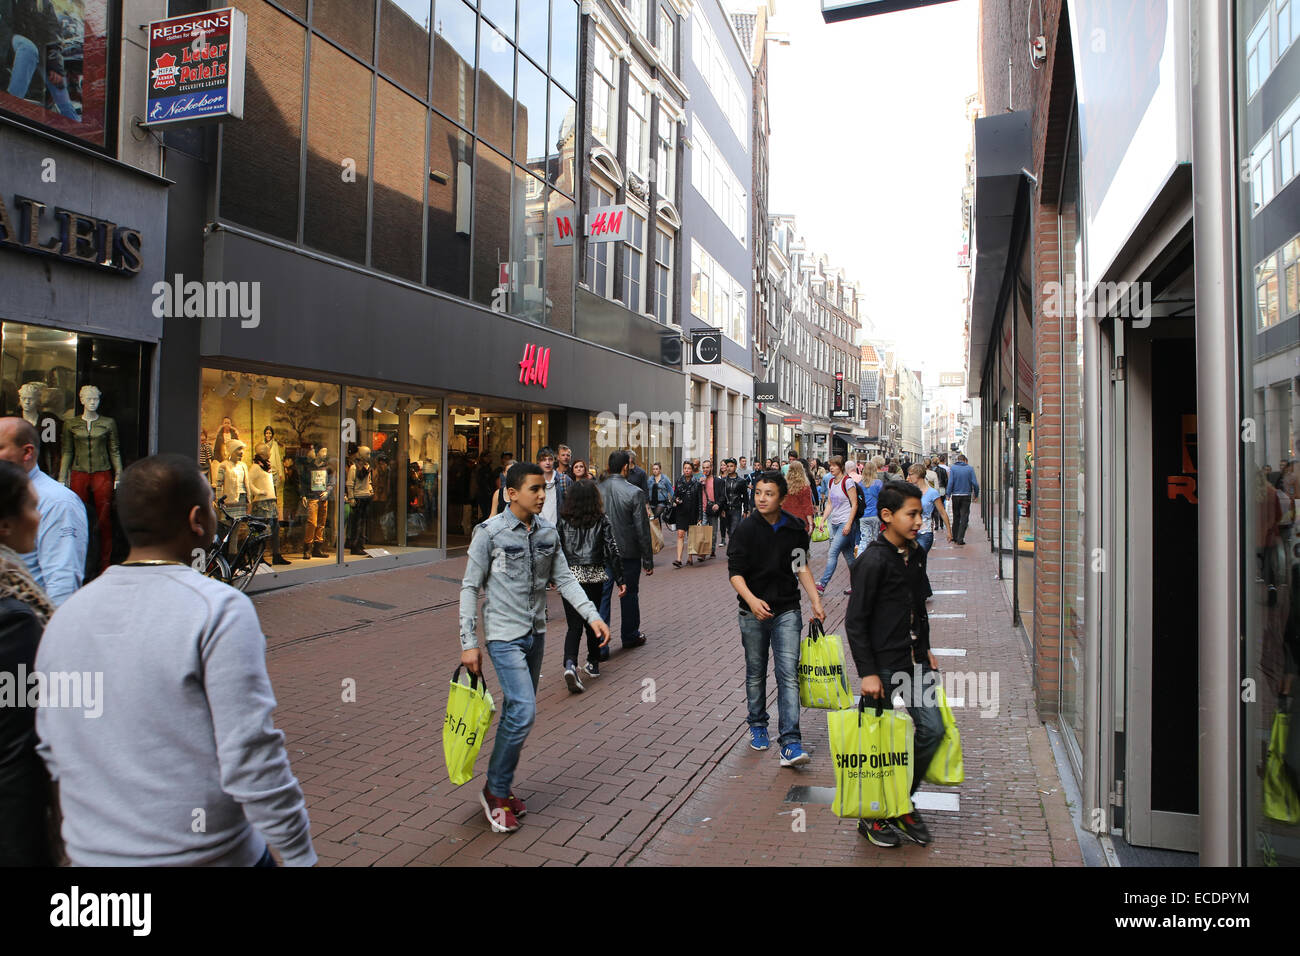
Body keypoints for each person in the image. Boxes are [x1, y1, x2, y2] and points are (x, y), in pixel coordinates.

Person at [35, 454, 317, 865]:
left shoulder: (65, 618)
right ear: (196, 519)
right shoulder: (218, 609)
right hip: (208, 856)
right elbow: (251, 754)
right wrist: (299, 854)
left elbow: (52, 749)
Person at [458, 462, 611, 833]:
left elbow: (564, 578)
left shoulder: (547, 532)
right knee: (524, 711)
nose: (542, 495)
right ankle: (495, 792)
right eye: (534, 489)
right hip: (503, 636)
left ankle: (500, 785)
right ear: (511, 494)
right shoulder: (489, 533)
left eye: (544, 489)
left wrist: (592, 615)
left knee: (517, 710)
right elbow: (469, 587)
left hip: (535, 633)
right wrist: (468, 643)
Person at [844, 480, 943, 850]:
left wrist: (927, 647)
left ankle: (900, 801)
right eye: (912, 514)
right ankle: (870, 817)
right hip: (882, 668)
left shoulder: (915, 553)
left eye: (920, 513)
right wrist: (867, 672)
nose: (919, 520)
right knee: (878, 747)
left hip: (913, 661)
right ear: (887, 516)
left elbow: (918, 605)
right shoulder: (871, 560)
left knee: (932, 730)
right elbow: (855, 622)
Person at [728, 469, 825, 767]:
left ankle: (791, 742)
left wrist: (815, 600)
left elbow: (801, 566)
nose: (762, 498)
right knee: (756, 672)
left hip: (786, 609)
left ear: (782, 498)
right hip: (752, 611)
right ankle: (757, 724)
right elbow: (735, 574)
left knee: (788, 674)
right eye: (758, 493)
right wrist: (752, 601)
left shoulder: (794, 528)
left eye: (769, 494)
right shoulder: (746, 529)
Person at [0, 460, 59, 865]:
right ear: (5, 524)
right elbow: (15, 740)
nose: (39, 518)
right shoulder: (15, 614)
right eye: (31, 507)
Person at [0, 417, 87, 606]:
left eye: (0, 447)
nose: (35, 515)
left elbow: (62, 578)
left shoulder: (57, 501)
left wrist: (51, 629)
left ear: (27, 452)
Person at [557, 478, 624, 691]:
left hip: (570, 577)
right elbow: (612, 549)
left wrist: (553, 577)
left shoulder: (563, 520)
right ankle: (593, 663)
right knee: (592, 621)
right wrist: (621, 579)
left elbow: (556, 550)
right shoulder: (601, 519)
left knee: (573, 625)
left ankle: (570, 663)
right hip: (594, 574)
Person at [597, 451, 655, 652]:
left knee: (602, 597)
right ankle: (629, 635)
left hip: (602, 553)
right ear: (625, 467)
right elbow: (642, 529)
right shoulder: (634, 492)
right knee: (630, 595)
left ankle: (600, 644)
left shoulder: (597, 490)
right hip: (628, 553)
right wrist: (647, 559)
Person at [816, 455, 860, 594]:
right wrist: (823, 520)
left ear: (841, 467)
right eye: (830, 465)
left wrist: (849, 523)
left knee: (833, 552)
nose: (831, 468)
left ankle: (822, 584)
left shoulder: (848, 482)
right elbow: (830, 503)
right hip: (835, 523)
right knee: (849, 557)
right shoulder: (831, 482)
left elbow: (855, 504)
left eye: (834, 465)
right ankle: (859, 584)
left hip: (845, 523)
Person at [250, 443, 291, 565]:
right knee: (262, 530)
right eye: (268, 451)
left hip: (271, 502)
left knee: (275, 529)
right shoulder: (255, 467)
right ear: (262, 453)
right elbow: (248, 482)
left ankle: (276, 555)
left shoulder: (267, 466)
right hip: (261, 503)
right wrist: (258, 492)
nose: (270, 453)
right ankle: (259, 557)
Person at [909, 464, 952, 562]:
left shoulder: (932, 493)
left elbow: (942, 512)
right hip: (910, 532)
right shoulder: (910, 491)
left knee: (918, 558)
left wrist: (949, 531)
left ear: (918, 475)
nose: (909, 477)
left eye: (911, 474)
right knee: (912, 563)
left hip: (925, 532)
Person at [671, 460, 702, 568]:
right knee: (680, 534)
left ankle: (690, 557)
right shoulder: (679, 481)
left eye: (688, 468)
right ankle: (678, 559)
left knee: (690, 536)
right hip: (681, 512)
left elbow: (699, 501)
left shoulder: (697, 483)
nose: (686, 470)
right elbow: (674, 496)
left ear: (692, 470)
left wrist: (700, 517)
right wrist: (676, 500)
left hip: (692, 512)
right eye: (685, 468)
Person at [946, 453, 980, 545]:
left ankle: (954, 536)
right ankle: (960, 538)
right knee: (964, 516)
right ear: (965, 460)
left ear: (957, 460)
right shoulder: (970, 468)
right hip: (966, 495)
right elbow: (975, 483)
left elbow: (951, 482)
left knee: (956, 516)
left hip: (956, 495)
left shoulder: (953, 468)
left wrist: (948, 494)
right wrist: (976, 494)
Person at [537, 447, 572, 527]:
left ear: (554, 460)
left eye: (550, 459)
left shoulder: (564, 480)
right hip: (539, 528)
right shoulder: (534, 481)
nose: (547, 463)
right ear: (538, 462)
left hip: (559, 529)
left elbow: (572, 506)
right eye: (544, 460)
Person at [856, 460, 883, 557]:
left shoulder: (860, 484)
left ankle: (860, 559)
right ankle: (874, 559)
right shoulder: (878, 483)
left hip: (863, 515)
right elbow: (882, 498)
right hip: (875, 514)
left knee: (864, 539)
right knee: (875, 538)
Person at [699, 459, 725, 558]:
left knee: (713, 533)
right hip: (704, 510)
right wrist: (699, 484)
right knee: (703, 531)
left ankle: (712, 550)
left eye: (707, 467)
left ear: (711, 468)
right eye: (704, 467)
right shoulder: (700, 481)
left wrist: (718, 504)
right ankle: (703, 553)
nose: (706, 469)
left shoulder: (718, 481)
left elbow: (722, 496)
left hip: (713, 510)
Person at [783, 460, 816, 535]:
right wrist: (811, 524)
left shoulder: (783, 486)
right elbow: (807, 507)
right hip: (801, 521)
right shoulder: (804, 487)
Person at [721, 458, 750, 541]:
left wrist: (745, 510)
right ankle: (733, 549)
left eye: (731, 466)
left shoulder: (741, 481)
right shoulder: (723, 481)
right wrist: (722, 509)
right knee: (729, 531)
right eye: (728, 466)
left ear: (735, 467)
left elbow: (745, 496)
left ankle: (733, 552)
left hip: (736, 509)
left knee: (734, 531)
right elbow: (722, 496)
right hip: (726, 509)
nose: (729, 468)